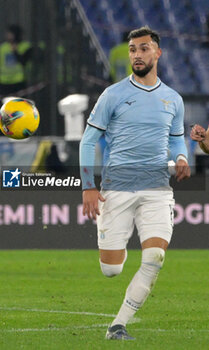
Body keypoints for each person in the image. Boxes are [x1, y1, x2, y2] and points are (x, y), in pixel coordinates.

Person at [79, 26, 190, 340]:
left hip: (157, 188)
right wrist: (88, 186)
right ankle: (116, 242)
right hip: (118, 187)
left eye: (143, 48)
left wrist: (181, 158)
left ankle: (117, 325)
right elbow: (88, 141)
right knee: (111, 269)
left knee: (155, 258)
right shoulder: (113, 94)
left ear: (157, 53)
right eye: (132, 50)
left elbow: (177, 140)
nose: (137, 55)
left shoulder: (173, 99)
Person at [0, 25, 31, 95]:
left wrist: (15, 51)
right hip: (4, 81)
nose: (7, 36)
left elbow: (24, 61)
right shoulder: (3, 47)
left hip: (18, 81)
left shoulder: (24, 46)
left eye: (10, 34)